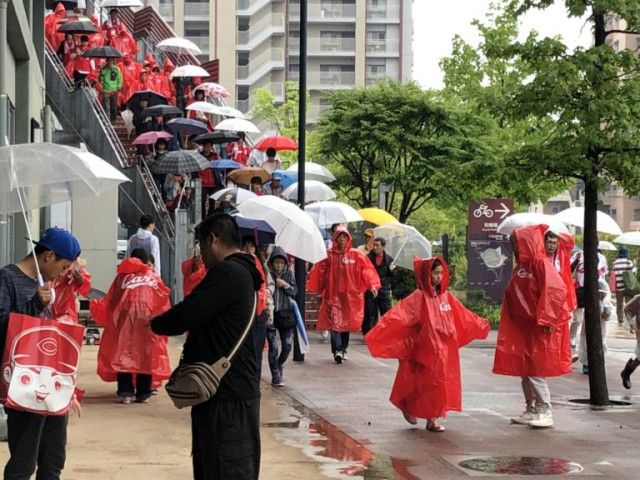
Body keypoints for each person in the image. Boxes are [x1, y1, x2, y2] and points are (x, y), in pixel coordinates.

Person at [150, 214, 264, 480]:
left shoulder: (229, 272)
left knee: (223, 468)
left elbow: (188, 314)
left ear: (213, 240)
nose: (200, 253)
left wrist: (154, 323)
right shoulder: (244, 272)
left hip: (226, 396)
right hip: (229, 392)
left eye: (200, 245)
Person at [366, 257, 489, 432]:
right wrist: (379, 334)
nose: (439, 277)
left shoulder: (445, 297)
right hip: (422, 350)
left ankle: (433, 419)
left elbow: (463, 315)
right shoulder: (419, 297)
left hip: (443, 350)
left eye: (441, 273)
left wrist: (480, 324)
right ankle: (409, 406)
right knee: (420, 383)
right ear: (427, 274)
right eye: (435, 273)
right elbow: (399, 317)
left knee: (438, 383)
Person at [0, 227, 82, 479]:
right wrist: (34, 304)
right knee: (24, 462)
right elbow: (3, 325)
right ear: (48, 257)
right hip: (23, 384)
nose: (64, 273)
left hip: (51, 382)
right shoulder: (7, 279)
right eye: (64, 266)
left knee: (53, 458)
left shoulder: (44, 284)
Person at [493, 225, 572, 429]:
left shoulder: (539, 264)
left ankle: (545, 410)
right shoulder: (522, 266)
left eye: (515, 243)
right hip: (523, 327)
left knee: (535, 369)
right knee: (525, 369)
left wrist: (549, 320)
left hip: (537, 326)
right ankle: (531, 409)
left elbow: (556, 291)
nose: (513, 247)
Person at [90, 248, 171, 404]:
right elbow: (163, 302)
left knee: (123, 354)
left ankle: (126, 392)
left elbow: (112, 301)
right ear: (147, 261)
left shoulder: (122, 278)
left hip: (123, 322)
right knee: (146, 355)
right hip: (147, 322)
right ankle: (143, 393)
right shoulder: (153, 277)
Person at [307, 225, 381, 364]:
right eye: (339, 238)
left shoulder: (356, 254)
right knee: (335, 323)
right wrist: (318, 287)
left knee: (346, 323)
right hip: (333, 295)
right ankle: (337, 350)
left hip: (350, 297)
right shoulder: (329, 255)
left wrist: (372, 285)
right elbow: (320, 272)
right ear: (335, 239)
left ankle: (343, 349)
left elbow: (366, 270)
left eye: (343, 238)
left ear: (347, 238)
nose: (341, 240)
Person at [266, 247, 297, 387]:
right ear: (272, 262)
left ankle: (279, 364)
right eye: (276, 262)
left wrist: (285, 285)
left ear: (285, 264)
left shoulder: (289, 274)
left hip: (285, 315)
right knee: (273, 347)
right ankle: (276, 375)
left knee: (288, 345)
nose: (278, 265)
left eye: (281, 262)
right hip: (271, 315)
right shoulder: (268, 274)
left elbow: (295, 291)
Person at [579, 279, 615, 374]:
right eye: (600, 293)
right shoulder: (590, 301)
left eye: (604, 293)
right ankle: (586, 364)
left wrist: (606, 314)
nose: (602, 295)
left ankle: (597, 364)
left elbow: (607, 316)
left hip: (601, 328)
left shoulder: (607, 303)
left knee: (601, 345)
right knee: (586, 344)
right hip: (588, 327)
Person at [363, 237, 395, 335]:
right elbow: (364, 272)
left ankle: (387, 334)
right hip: (371, 289)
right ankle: (369, 334)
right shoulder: (368, 257)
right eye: (374, 245)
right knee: (370, 313)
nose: (375, 247)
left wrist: (392, 270)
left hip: (384, 289)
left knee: (386, 312)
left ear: (383, 246)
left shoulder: (389, 259)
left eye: (377, 245)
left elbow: (393, 277)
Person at [612, 248, 636, 325]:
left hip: (619, 287)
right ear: (626, 254)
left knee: (619, 304)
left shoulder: (615, 263)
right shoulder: (628, 262)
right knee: (629, 304)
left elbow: (614, 274)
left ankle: (620, 320)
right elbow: (633, 272)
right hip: (628, 287)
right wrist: (635, 265)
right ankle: (629, 321)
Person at [621, 293, 640, 388]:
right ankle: (626, 373)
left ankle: (626, 372)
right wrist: (632, 324)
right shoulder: (638, 299)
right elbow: (627, 309)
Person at [98, 58, 123, 123]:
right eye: (108, 60)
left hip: (114, 91)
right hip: (105, 90)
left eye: (111, 61)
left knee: (113, 107)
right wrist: (101, 74)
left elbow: (120, 78)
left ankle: (113, 121)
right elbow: (99, 80)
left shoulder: (116, 69)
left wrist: (118, 87)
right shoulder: (103, 69)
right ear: (106, 61)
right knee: (106, 108)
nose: (109, 62)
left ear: (112, 61)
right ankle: (107, 122)